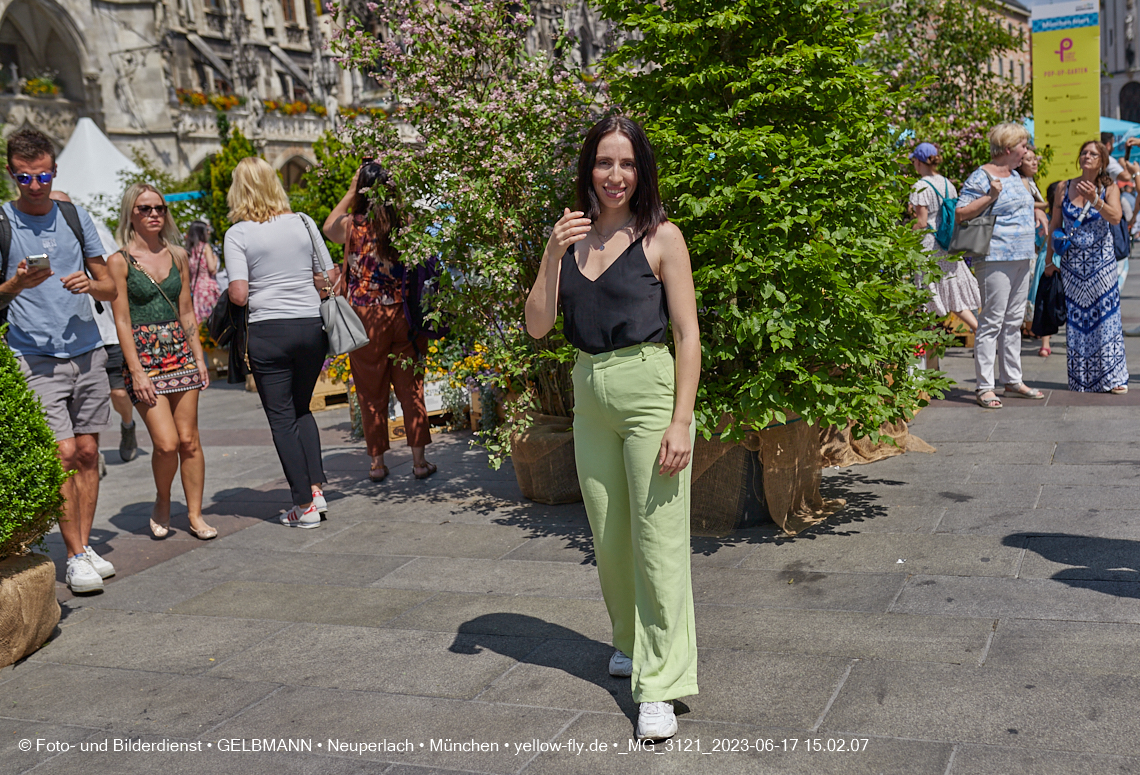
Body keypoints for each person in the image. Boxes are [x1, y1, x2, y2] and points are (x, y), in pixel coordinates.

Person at [525, 117, 700, 742]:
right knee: (610, 533)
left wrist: (682, 421)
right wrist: (549, 254)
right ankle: (632, 642)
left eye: (627, 164)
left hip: (651, 393)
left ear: (641, 170)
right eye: (604, 163)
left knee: (658, 541)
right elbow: (539, 326)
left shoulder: (661, 238)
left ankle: (661, 684)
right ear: (588, 169)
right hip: (589, 393)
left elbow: (687, 335)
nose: (615, 175)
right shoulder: (569, 243)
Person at [0, 128, 117, 593]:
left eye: (44, 175)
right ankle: (73, 555)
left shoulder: (73, 215)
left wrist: (92, 285)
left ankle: (84, 546)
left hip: (86, 350)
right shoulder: (2, 222)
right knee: (63, 453)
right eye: (26, 177)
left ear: (54, 171)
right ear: (12, 174)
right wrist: (15, 286)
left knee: (88, 452)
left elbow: (110, 284)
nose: (36, 185)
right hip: (34, 355)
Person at [225, 157, 334, 528]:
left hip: (269, 331)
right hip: (309, 326)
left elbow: (239, 294)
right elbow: (329, 275)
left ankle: (302, 506)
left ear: (238, 190)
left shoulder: (238, 234)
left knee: (282, 418)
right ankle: (316, 491)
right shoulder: (303, 222)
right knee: (302, 408)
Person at [108, 184, 216, 539]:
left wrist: (199, 357)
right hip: (144, 361)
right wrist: (135, 371)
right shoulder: (119, 260)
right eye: (144, 208)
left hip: (180, 356)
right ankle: (164, 499)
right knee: (166, 443)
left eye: (159, 208)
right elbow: (121, 319)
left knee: (189, 440)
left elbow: (186, 310)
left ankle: (196, 515)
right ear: (131, 214)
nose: (154, 214)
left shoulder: (179, 256)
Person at [322, 161, 436, 482]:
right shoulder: (403, 222)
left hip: (364, 317)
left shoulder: (351, 225)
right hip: (402, 314)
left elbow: (327, 226)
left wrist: (349, 191)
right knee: (410, 388)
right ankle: (418, 461)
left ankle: (377, 464)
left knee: (370, 391)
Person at [49, 190, 140, 469]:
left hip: (105, 330)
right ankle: (91, 452)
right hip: (61, 340)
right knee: (70, 406)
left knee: (118, 393)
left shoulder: (91, 229)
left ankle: (127, 425)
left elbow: (114, 280)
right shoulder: (36, 232)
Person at [956, 122, 1042, 409]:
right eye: (1023, 146)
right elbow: (961, 212)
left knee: (1014, 321)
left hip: (1022, 256)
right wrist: (990, 196)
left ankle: (1012, 380)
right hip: (995, 257)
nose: (1026, 151)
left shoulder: (1018, 176)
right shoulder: (982, 176)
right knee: (991, 321)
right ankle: (984, 386)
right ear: (1008, 149)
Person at [1044, 141, 1129, 394]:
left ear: (1102, 160)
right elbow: (1055, 225)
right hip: (1072, 267)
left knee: (1106, 319)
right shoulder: (1064, 186)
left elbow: (1115, 218)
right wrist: (1049, 261)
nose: (1086, 156)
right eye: (1084, 152)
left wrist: (1096, 200)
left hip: (1101, 265)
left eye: (1093, 154)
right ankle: (1083, 379)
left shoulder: (1108, 187)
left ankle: (1114, 377)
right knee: (1078, 320)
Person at [907, 142, 980, 332]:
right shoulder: (948, 183)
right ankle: (978, 329)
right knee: (951, 290)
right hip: (947, 241)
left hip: (929, 244)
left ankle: (925, 345)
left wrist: (906, 234)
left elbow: (922, 223)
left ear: (919, 162)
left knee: (927, 291)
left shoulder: (920, 186)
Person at [1017, 148, 1054, 358]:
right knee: (1029, 293)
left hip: (1033, 246)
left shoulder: (1030, 182)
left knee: (1033, 292)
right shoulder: (1021, 181)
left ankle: (1031, 328)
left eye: (1034, 159)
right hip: (1026, 246)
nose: (1034, 162)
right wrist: (1050, 204)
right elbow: (1026, 203)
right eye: (1028, 159)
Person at [185, 220, 221, 323]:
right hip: (208, 288)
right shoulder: (205, 247)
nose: (208, 232)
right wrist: (215, 258)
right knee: (212, 320)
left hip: (196, 288)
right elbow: (212, 269)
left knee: (200, 321)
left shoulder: (189, 249)